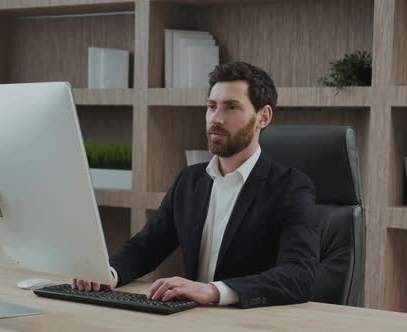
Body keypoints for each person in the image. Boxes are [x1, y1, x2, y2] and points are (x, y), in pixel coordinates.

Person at [72, 62, 320, 308]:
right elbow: (147, 246)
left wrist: (214, 291)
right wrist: (108, 274)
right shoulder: (190, 180)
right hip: (190, 319)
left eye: (231, 107)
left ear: (263, 117)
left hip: (247, 322)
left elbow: (298, 276)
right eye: (212, 107)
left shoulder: (291, 187)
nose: (217, 118)